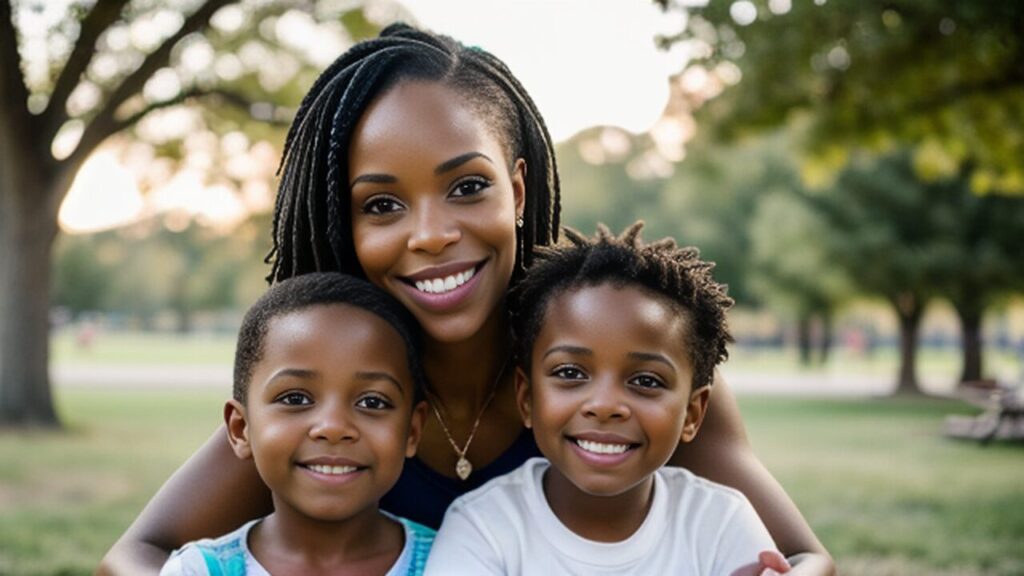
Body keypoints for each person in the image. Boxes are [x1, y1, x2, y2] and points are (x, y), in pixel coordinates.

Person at [99, 23, 832, 575]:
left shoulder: (623, 368)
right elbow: (136, 552)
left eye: (467, 187)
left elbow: (806, 558)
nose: (431, 234)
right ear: (343, 223)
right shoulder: (333, 386)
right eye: (382, 205)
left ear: (516, 190)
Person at [424, 223, 779, 575]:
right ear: (527, 398)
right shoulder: (483, 527)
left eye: (645, 380)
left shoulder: (721, 524)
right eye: (570, 373)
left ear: (692, 414)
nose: (605, 405)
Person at [160, 273, 434, 575]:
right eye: (295, 399)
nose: (333, 427)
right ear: (240, 429)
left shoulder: (456, 562)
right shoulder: (198, 570)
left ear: (411, 431)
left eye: (372, 402)